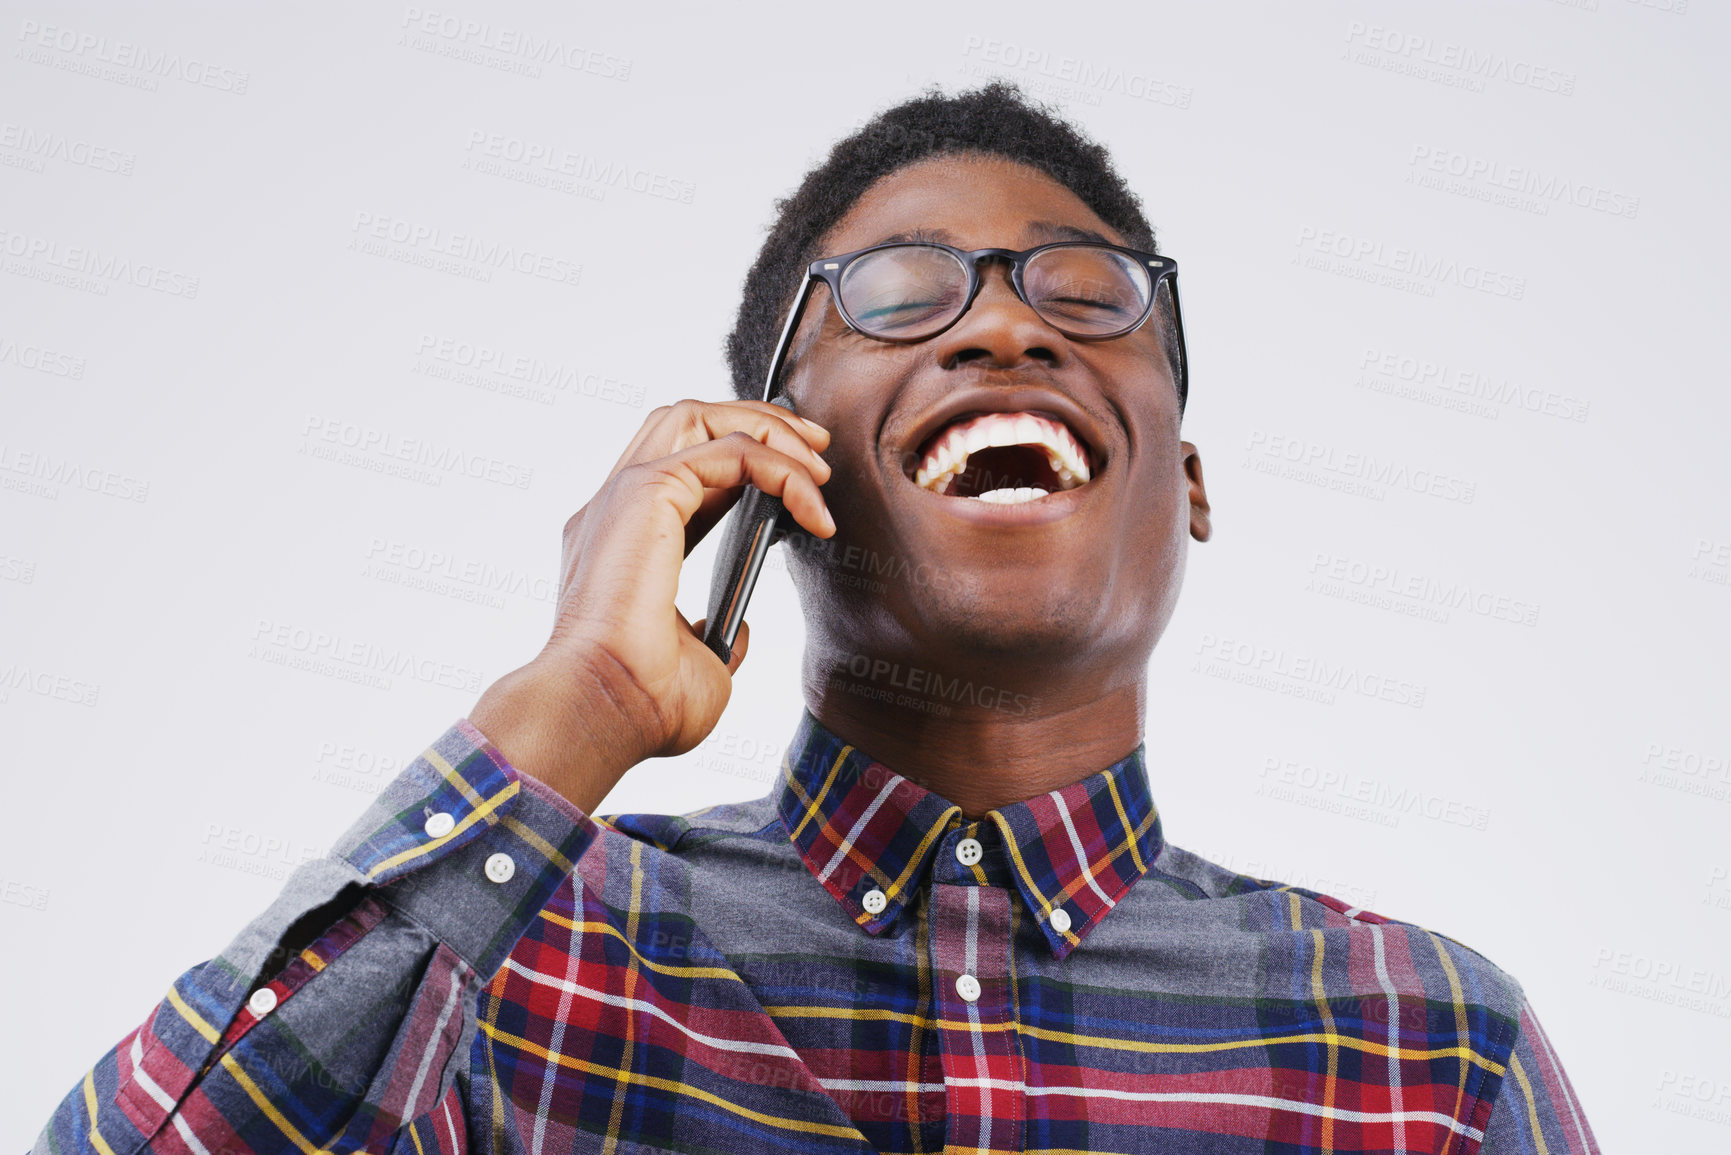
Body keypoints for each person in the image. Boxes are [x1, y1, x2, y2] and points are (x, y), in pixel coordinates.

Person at [35, 82, 1598, 1155]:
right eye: (902, 294)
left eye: (1085, 292)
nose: (1001, 324)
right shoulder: (504, 960)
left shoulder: (1429, 1052)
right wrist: (569, 704)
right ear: (769, 460)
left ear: (1182, 475)